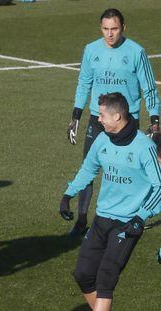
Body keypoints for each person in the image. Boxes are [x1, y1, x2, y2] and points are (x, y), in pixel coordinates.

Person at [59, 92, 161, 311]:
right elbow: (88, 169)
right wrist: (68, 195)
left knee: (105, 282)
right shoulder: (102, 139)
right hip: (101, 219)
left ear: (117, 117)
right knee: (83, 275)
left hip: (127, 224)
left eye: (102, 114)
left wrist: (141, 217)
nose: (98, 118)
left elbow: (159, 185)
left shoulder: (145, 147)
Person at [66, 8, 160, 236]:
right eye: (106, 29)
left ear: (123, 28)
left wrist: (155, 121)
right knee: (89, 168)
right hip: (99, 122)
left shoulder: (136, 52)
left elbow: (149, 87)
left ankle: (136, 216)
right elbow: (84, 83)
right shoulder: (91, 50)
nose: (110, 34)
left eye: (114, 29)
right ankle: (80, 221)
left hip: (127, 123)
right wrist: (76, 116)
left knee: (130, 173)